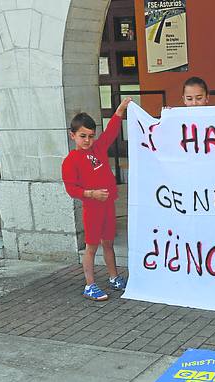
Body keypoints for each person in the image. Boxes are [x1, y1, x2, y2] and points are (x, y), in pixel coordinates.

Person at [62, 97, 132, 301]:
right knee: (91, 246)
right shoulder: (70, 161)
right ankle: (90, 285)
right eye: (82, 136)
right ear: (72, 135)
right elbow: (71, 188)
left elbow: (110, 133)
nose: (87, 140)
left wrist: (119, 111)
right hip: (92, 209)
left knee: (108, 243)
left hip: (107, 206)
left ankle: (114, 277)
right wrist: (91, 194)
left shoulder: (98, 149)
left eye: (91, 136)